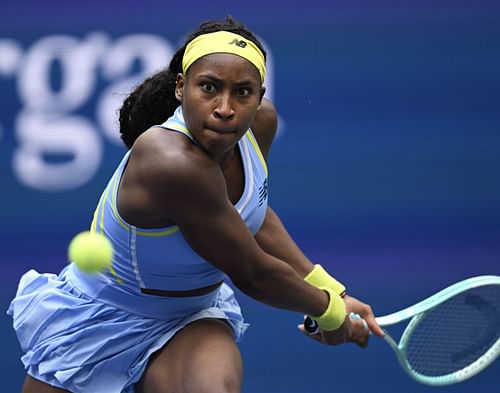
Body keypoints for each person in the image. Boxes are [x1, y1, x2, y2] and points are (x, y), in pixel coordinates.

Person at [8, 17, 384, 393]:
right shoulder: (172, 162)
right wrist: (330, 311)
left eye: (243, 92)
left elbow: (249, 217)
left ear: (260, 96)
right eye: (209, 88)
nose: (225, 108)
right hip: (96, 321)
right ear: (180, 88)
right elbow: (253, 273)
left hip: (190, 319)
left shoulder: (259, 125)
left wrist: (331, 290)